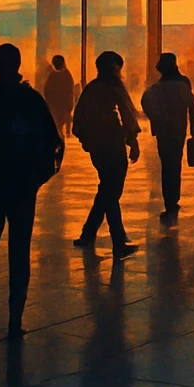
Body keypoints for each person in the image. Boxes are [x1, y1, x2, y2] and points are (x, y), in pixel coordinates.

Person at [0, 43, 62, 341]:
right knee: (19, 252)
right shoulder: (31, 99)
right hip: (21, 187)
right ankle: (15, 319)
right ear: (18, 65)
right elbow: (55, 143)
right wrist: (36, 178)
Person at [71, 51, 140, 257]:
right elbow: (128, 113)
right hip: (113, 145)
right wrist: (133, 140)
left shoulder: (91, 89)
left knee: (107, 189)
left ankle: (88, 233)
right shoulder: (114, 87)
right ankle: (117, 241)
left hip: (98, 148)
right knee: (112, 191)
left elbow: (79, 119)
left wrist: (87, 141)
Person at [140, 53, 194, 217]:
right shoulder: (183, 86)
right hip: (178, 130)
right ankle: (173, 199)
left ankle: (170, 200)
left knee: (167, 164)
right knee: (175, 163)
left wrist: (156, 119)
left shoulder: (155, 89)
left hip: (163, 131)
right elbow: (193, 108)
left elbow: (145, 102)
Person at [43, 55, 75, 133]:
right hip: (61, 106)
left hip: (57, 106)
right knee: (59, 127)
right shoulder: (66, 75)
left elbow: (47, 90)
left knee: (57, 127)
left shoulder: (53, 75)